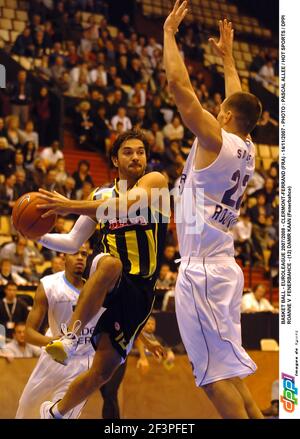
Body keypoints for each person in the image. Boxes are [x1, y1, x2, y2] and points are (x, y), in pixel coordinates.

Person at [163, 2, 263, 419]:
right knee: (229, 371)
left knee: (211, 376)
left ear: (223, 116)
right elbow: (236, 101)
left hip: (202, 270)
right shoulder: (249, 148)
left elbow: (179, 88)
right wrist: (226, 58)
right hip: (224, 267)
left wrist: (169, 34)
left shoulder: (213, 139)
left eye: (221, 109)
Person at [34, 129, 168, 418]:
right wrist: (36, 235)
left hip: (141, 291)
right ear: (114, 160)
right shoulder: (101, 194)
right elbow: (72, 242)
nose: (136, 156)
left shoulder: (156, 182)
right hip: (108, 273)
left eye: (140, 151)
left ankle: (55, 413)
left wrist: (69, 205)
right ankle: (70, 338)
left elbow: (125, 206)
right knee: (110, 264)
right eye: (128, 151)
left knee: (102, 372)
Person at [15, 244, 101, 418]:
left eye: (84, 254)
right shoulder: (49, 285)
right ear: (64, 257)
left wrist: (146, 340)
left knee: (61, 416)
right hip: (53, 357)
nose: (80, 258)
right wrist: (55, 343)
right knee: (25, 411)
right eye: (74, 253)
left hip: (82, 362)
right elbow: (29, 333)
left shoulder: (99, 289)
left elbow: (125, 315)